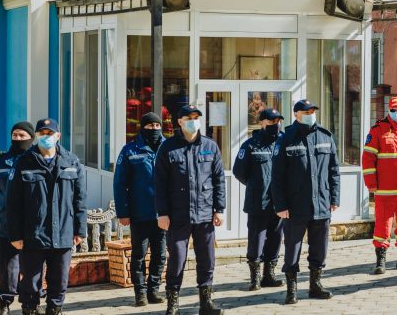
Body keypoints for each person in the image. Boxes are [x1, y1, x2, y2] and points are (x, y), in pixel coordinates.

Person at [7, 118, 86, 315]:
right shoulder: (23, 162)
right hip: (33, 233)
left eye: (49, 134)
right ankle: (30, 309)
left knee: (59, 280)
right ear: (36, 137)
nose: (45, 137)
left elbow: (80, 200)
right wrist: (15, 234)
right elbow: (13, 203)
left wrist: (80, 229)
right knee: (31, 282)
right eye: (42, 134)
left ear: (58, 136)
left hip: (63, 232)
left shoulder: (72, 162)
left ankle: (55, 309)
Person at [154, 105, 226, 315]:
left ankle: (206, 303)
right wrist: (162, 213)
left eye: (196, 117)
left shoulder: (210, 147)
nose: (193, 121)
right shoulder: (168, 148)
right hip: (177, 215)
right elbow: (159, 183)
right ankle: (173, 304)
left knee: (207, 260)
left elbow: (219, 180)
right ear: (179, 121)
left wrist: (219, 209)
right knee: (176, 259)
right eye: (189, 117)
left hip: (204, 215)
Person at [271, 100, 340, 305]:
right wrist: (280, 205)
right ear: (296, 115)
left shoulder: (325, 136)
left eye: (312, 111)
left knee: (319, 247)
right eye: (306, 111)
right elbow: (277, 177)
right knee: (293, 247)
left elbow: (334, 171)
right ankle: (291, 289)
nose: (311, 114)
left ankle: (315, 285)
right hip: (294, 206)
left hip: (321, 203)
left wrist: (334, 197)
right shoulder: (285, 139)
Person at [113, 112, 167, 307]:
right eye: (150, 125)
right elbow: (120, 183)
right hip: (139, 213)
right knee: (138, 255)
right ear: (142, 127)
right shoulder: (130, 150)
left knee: (160, 255)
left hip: (163, 214)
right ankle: (140, 293)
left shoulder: (168, 147)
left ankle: (154, 290)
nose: (153, 129)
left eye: (156, 125)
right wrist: (123, 212)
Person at [361, 96, 397, 274]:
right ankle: (381, 260)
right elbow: (368, 158)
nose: (396, 113)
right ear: (388, 110)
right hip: (385, 189)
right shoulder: (378, 130)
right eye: (393, 110)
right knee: (382, 226)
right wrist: (371, 184)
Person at [232, 108, 285, 291]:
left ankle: (269, 275)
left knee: (276, 238)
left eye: (278, 121)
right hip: (257, 202)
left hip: (280, 203)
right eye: (271, 122)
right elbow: (239, 172)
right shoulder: (251, 145)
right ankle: (255, 278)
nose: (276, 125)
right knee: (257, 240)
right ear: (262, 122)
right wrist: (256, 186)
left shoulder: (284, 142)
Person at [0, 122, 34, 315]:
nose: (18, 139)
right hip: (5, 223)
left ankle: (30, 302)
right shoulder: (1, 161)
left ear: (31, 137)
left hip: (32, 224)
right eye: (15, 135)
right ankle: (5, 301)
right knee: (7, 266)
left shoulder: (35, 160)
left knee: (32, 265)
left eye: (22, 135)